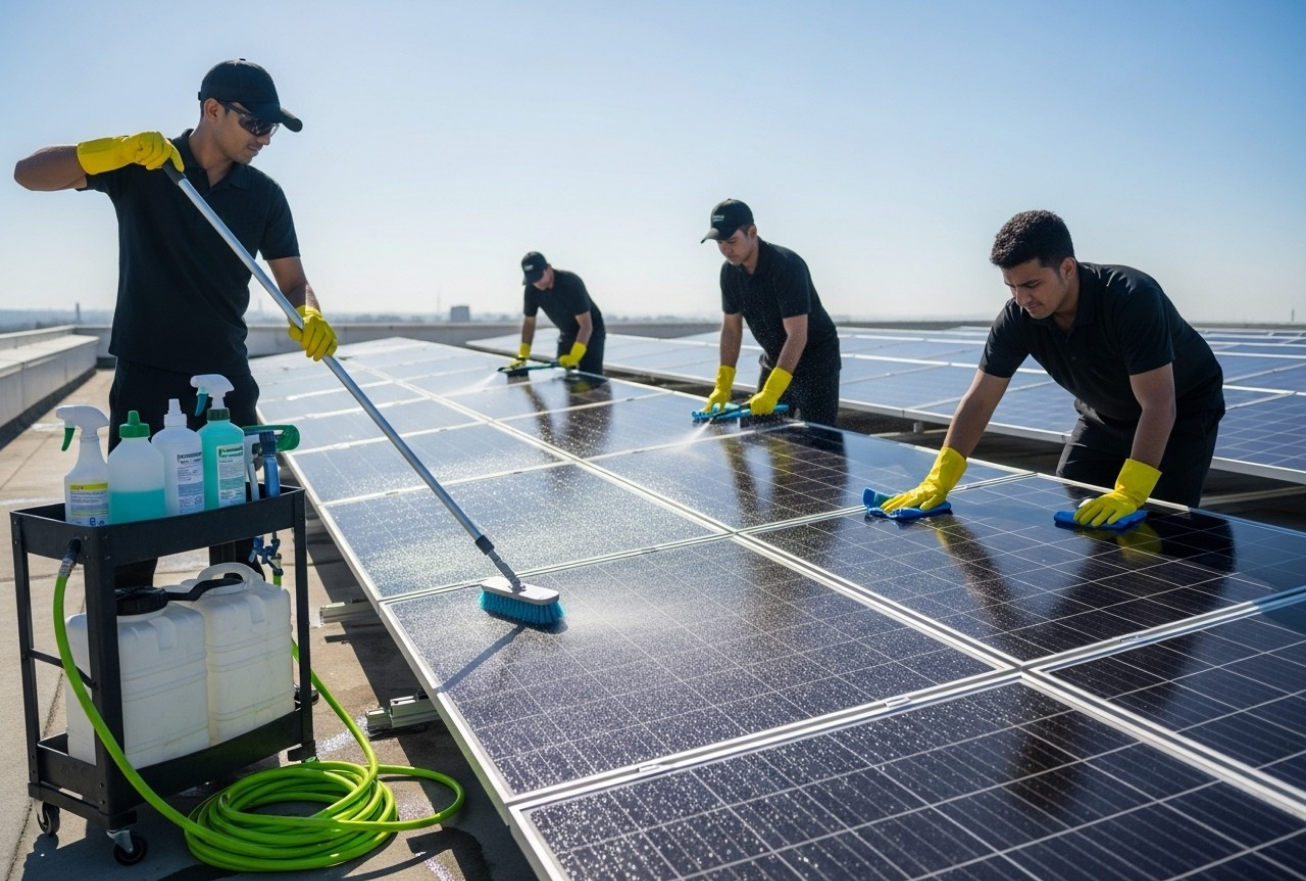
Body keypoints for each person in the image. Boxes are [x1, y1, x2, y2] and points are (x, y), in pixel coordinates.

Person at [14, 58, 338, 583]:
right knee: (136, 539)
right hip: (147, 379)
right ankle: (127, 627)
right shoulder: (144, 166)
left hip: (227, 381)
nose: (266, 138)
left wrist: (308, 311)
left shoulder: (264, 196)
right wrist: (111, 150)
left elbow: (294, 281)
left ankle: (237, 630)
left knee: (236, 545)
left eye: (272, 127)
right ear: (213, 110)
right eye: (256, 123)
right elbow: (28, 174)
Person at [881, 210, 1224, 526]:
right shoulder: (1018, 317)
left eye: (1031, 284)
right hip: (1103, 416)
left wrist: (1132, 491)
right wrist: (938, 479)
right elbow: (980, 399)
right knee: (1077, 493)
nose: (1021, 299)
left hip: (1179, 415)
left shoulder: (1132, 298)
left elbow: (1159, 403)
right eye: (1011, 286)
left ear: (1067, 268)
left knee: (1162, 522)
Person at [699, 199, 841, 425]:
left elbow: (797, 335)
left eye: (731, 241)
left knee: (817, 439)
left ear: (752, 232)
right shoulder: (729, 273)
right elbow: (731, 331)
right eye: (719, 243)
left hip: (815, 362)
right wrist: (723, 385)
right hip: (776, 358)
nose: (725, 249)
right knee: (764, 430)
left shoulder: (786, 266)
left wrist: (772, 390)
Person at [507, 252, 605, 374]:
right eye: (532, 279)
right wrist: (523, 355)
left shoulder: (571, 283)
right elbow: (529, 323)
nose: (537, 283)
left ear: (548, 268)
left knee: (590, 378)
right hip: (567, 332)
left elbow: (586, 326)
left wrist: (574, 356)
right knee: (563, 377)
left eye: (539, 277)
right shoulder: (532, 289)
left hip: (591, 334)